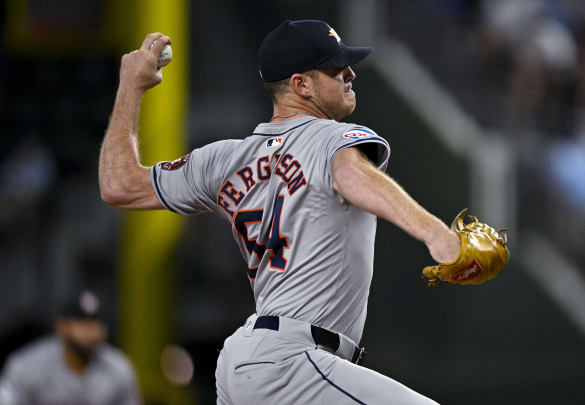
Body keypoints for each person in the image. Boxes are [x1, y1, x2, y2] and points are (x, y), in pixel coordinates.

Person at [98, 20, 462, 404]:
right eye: (335, 68)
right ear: (301, 85)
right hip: (293, 361)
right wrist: (436, 233)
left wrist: (129, 88)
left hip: (248, 362)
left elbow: (119, 185)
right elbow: (350, 174)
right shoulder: (330, 137)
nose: (350, 74)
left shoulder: (222, 160)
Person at [0, 290, 142, 405]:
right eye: (82, 323)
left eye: (96, 324)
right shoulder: (27, 366)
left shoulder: (118, 367)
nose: (91, 332)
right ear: (62, 327)